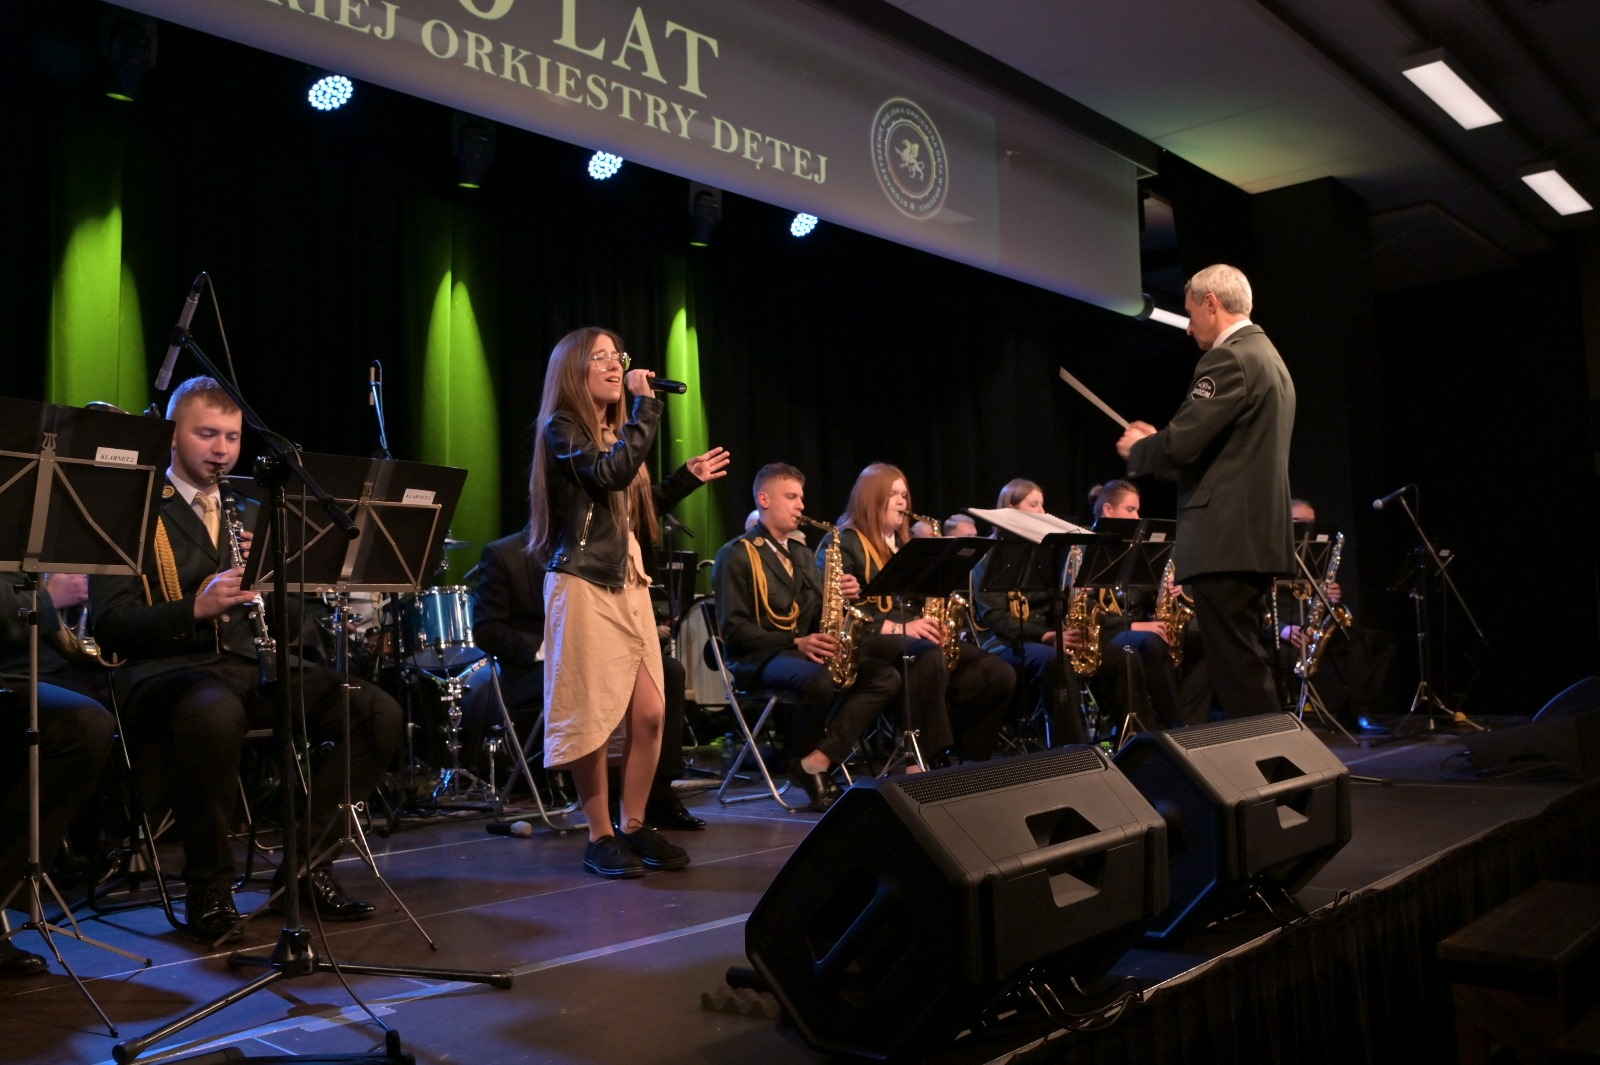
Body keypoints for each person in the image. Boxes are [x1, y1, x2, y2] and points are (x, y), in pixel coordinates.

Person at [90, 377, 404, 942]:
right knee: (213, 713)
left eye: (232, 438)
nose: (221, 450)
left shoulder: (257, 510)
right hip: (166, 671)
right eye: (206, 434)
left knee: (374, 712)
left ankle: (305, 869)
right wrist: (196, 607)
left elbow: (295, 621)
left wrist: (277, 584)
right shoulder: (132, 507)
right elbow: (110, 626)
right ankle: (208, 888)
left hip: (250, 667)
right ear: (172, 435)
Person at [527, 328, 691, 879]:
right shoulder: (562, 427)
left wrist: (684, 480)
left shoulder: (613, 434)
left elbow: (633, 506)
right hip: (582, 581)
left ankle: (634, 823)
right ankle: (599, 834)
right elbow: (608, 475)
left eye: (616, 355)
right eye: (599, 357)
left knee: (650, 711)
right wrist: (647, 408)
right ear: (573, 371)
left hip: (629, 580)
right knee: (592, 717)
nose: (615, 364)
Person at [1117, 264, 1295, 720]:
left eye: (1191, 312)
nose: (1189, 325)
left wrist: (1141, 449)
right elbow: (1218, 453)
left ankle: (1271, 759)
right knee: (1242, 662)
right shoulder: (1269, 357)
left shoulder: (1228, 358)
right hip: (1252, 537)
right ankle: (1270, 756)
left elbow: (1183, 444)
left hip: (1227, 540)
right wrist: (1163, 440)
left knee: (1238, 669)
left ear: (1211, 304)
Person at [712, 464, 901, 810]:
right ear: (764, 499)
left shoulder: (800, 554)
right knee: (817, 678)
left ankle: (820, 757)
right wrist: (796, 642)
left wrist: (841, 597)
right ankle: (799, 759)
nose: (801, 505)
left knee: (883, 675)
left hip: (798, 654)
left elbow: (815, 613)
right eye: (791, 497)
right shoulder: (735, 554)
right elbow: (735, 631)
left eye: (801, 497)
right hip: (756, 658)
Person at [820, 463, 1014, 765]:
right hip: (867, 642)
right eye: (894, 495)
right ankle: (924, 759)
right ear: (872, 497)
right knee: (926, 655)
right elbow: (836, 609)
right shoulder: (844, 541)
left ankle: (973, 760)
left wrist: (934, 624)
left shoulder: (905, 545)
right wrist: (901, 628)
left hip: (911, 639)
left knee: (998, 673)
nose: (903, 502)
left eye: (905, 495)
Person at [1, 574, 114, 977]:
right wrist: (48, 599)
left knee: (121, 702)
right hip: (11, 669)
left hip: (49, 663)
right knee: (83, 725)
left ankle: (97, 848)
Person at [969, 482, 1087, 746]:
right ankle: (1071, 746)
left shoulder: (1045, 554)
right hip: (1002, 643)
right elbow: (995, 618)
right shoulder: (987, 559)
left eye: (1042, 504)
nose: (1042, 512)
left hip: (1044, 638)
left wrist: (1074, 591)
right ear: (1011, 509)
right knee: (1054, 659)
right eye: (1034, 504)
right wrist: (1046, 636)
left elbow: (1054, 605)